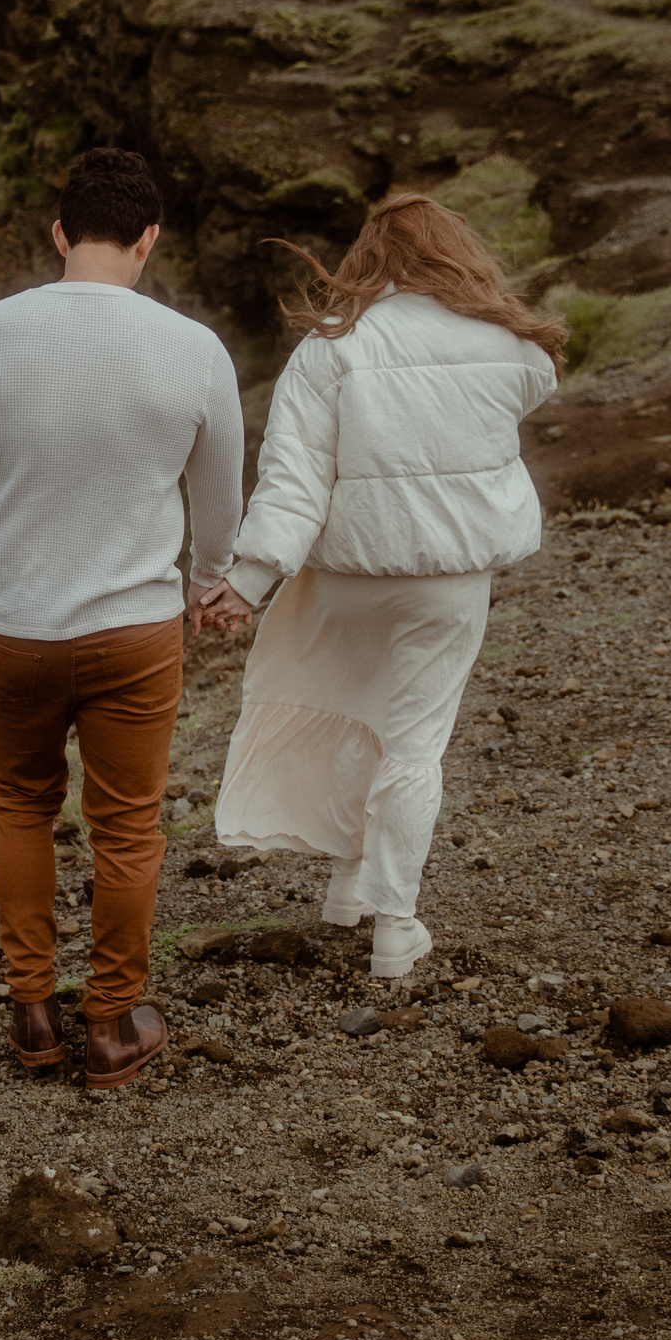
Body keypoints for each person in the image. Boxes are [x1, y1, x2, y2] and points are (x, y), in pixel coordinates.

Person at [0, 147, 245, 1087]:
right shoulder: (195, 349)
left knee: (20, 803)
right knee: (128, 827)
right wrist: (209, 579)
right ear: (149, 239)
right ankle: (111, 1022)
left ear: (60, 232)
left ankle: (32, 1013)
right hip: (135, 631)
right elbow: (220, 500)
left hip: (14, 626)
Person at [201, 190, 562, 978]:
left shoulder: (332, 346)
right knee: (412, 745)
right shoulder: (507, 345)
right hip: (450, 580)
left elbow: (294, 481)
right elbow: (540, 380)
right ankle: (394, 926)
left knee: (353, 721)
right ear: (454, 254)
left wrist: (247, 580)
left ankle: (343, 889)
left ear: (368, 257)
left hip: (350, 577)